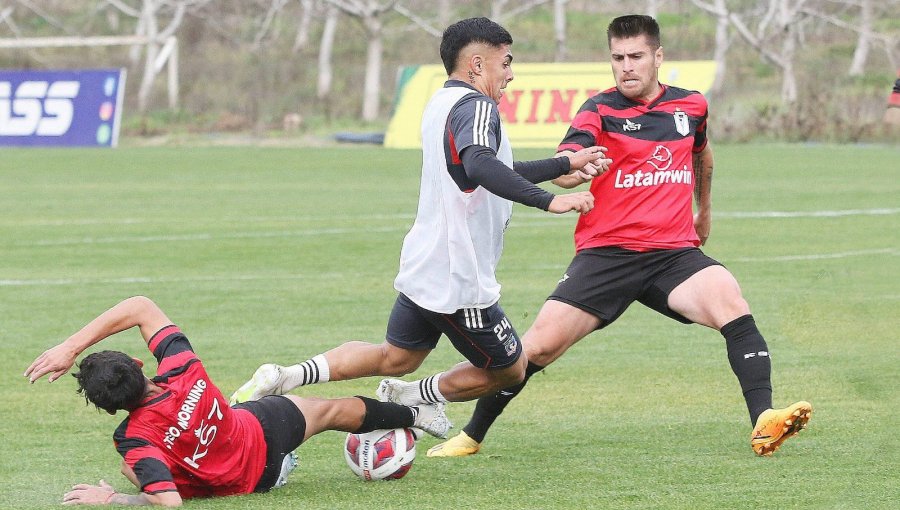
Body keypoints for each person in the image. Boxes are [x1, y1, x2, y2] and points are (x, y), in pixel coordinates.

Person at [414, 14, 812, 459]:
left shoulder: (692, 106)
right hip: (606, 254)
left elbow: (703, 154)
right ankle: (470, 436)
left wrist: (705, 209)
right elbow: (569, 164)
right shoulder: (598, 109)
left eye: (636, 56)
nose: (626, 66)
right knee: (536, 348)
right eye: (617, 58)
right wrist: (577, 171)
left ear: (657, 57)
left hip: (673, 253)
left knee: (733, 306)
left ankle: (764, 419)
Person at [230, 18, 608, 409]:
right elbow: (480, 164)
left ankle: (286, 375)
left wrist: (563, 164)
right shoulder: (478, 106)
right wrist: (547, 200)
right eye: (506, 62)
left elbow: (490, 167)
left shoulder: (442, 102)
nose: (511, 74)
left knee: (396, 357)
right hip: (458, 276)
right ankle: (412, 398)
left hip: (428, 261)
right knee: (510, 369)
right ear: (477, 65)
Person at [24, 296, 450, 506]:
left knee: (134, 471)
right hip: (261, 426)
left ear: (111, 409)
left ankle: (275, 465)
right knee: (333, 410)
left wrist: (115, 499)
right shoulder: (180, 367)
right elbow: (140, 306)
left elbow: (167, 501)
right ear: (139, 362)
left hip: (252, 479)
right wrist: (70, 346)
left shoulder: (133, 438)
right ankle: (416, 412)